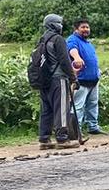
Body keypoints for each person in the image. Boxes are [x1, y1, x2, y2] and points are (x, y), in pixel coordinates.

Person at [31, 13, 77, 151]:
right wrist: (73, 77)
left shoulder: (42, 40)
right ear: (54, 24)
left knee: (46, 110)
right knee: (61, 108)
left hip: (44, 80)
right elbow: (64, 61)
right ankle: (62, 139)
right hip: (58, 79)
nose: (61, 25)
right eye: (59, 23)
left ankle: (44, 139)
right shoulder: (58, 39)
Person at [67, 19, 105, 136]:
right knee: (78, 106)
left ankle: (93, 126)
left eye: (87, 27)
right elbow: (72, 50)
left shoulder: (88, 43)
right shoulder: (73, 40)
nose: (86, 30)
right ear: (76, 29)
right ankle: (75, 130)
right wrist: (77, 58)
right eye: (83, 27)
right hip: (81, 81)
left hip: (93, 80)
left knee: (93, 104)